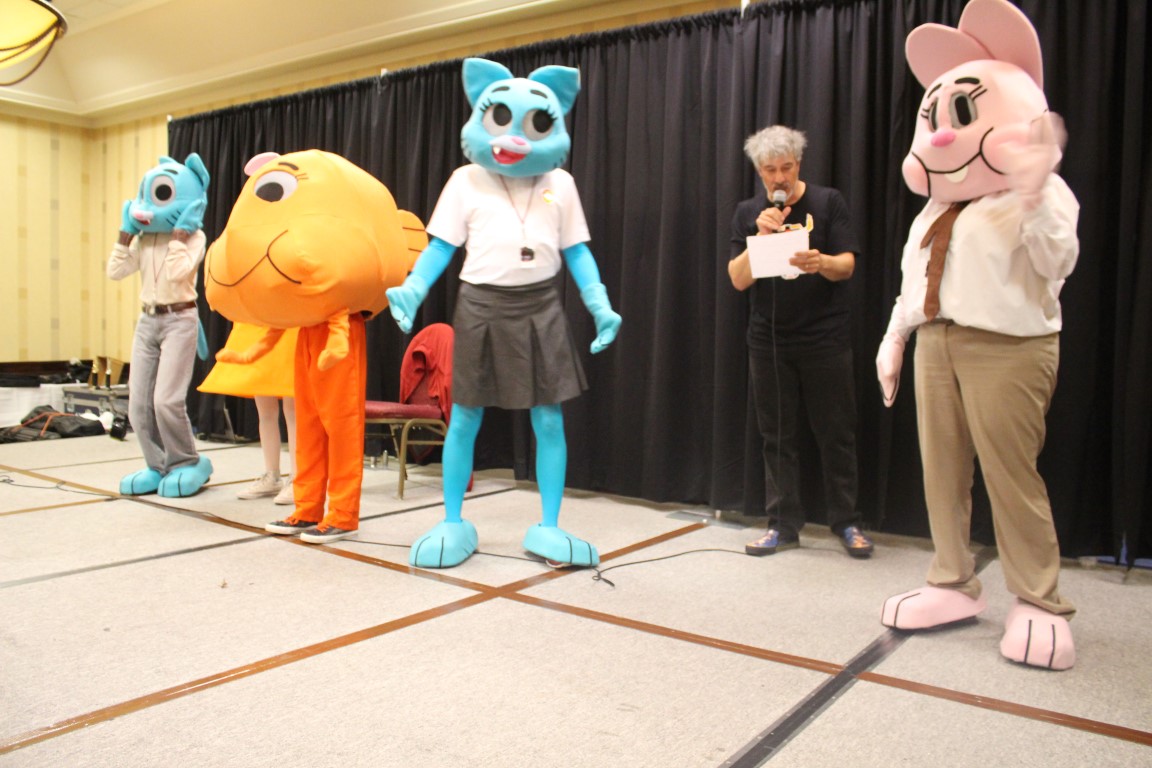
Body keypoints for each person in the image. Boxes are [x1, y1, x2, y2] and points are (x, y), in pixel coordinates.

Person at [875, 0, 1079, 669]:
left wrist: (1034, 190)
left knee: (1010, 473)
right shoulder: (935, 210)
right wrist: (896, 338)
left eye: (959, 115)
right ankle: (952, 580)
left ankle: (1040, 599)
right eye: (933, 117)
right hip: (936, 343)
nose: (940, 136)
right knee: (941, 470)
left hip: (1008, 346)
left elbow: (1058, 262)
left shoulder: (1039, 194)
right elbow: (913, 281)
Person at [386, 58, 621, 569]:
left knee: (549, 418)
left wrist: (599, 303)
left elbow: (577, 251)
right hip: (481, 303)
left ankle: (549, 526)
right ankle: (452, 520)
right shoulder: (465, 180)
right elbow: (441, 246)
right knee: (465, 415)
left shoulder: (561, 182)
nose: (515, 136)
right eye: (500, 119)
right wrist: (413, 288)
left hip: (541, 304)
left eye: (535, 123)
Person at [727, 125, 873, 559]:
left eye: (786, 168)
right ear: (759, 171)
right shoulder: (749, 212)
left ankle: (846, 522)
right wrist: (760, 238)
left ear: (799, 164)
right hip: (769, 340)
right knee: (776, 436)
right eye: (770, 170)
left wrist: (820, 261)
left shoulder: (828, 202)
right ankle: (782, 524)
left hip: (825, 337)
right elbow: (737, 279)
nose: (779, 178)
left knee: (836, 433)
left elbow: (847, 265)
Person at [110, 154, 213, 498]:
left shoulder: (195, 238)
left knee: (166, 400)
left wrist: (179, 236)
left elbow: (177, 272)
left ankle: (185, 461)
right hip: (147, 321)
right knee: (138, 403)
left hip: (179, 320)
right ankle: (156, 465)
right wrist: (125, 235)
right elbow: (116, 271)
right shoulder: (144, 239)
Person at [199, 322, 298, 505]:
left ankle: (298, 478)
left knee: (293, 408)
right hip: (255, 324)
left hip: (289, 323)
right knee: (264, 408)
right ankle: (272, 475)